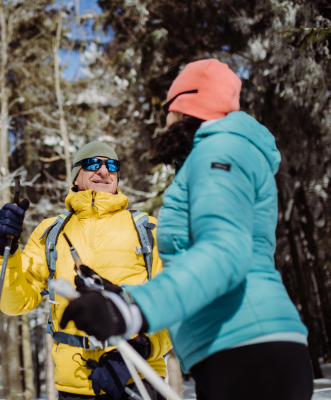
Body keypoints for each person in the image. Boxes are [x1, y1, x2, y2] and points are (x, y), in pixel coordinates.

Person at [60, 59, 314, 400]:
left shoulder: (219, 151)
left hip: (249, 348)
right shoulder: (214, 154)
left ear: (185, 105)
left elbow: (224, 253)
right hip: (231, 350)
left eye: (168, 108)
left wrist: (134, 309)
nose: (165, 120)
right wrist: (119, 294)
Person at [0, 141, 172, 400]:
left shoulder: (147, 230)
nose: (103, 171)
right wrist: (4, 251)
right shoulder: (50, 232)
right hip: (73, 387)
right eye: (91, 164)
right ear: (76, 177)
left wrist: (139, 349)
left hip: (140, 380)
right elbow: (14, 302)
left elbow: (173, 303)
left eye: (111, 165)